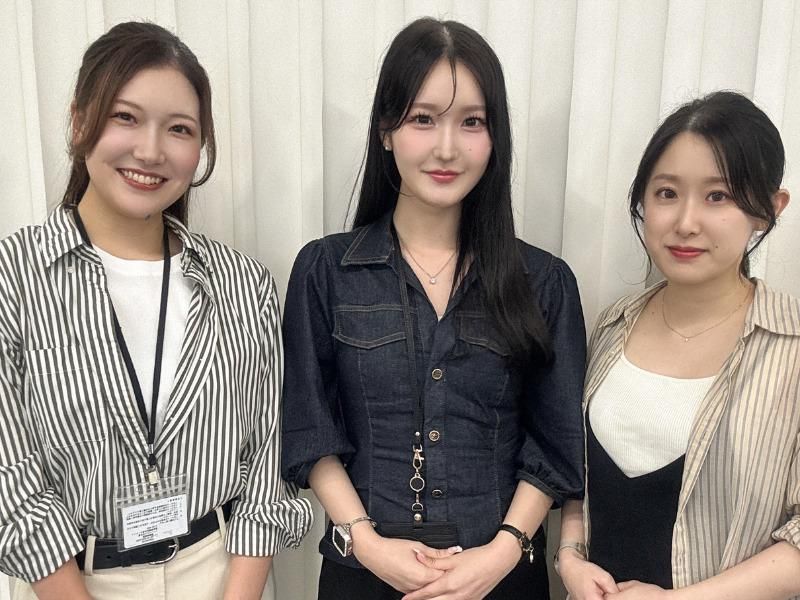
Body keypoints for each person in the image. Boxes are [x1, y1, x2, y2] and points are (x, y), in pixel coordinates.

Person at [0, 21, 311, 600]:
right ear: (79, 120)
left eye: (179, 129)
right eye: (126, 117)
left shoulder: (243, 284)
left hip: (222, 570)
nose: (150, 150)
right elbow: (9, 480)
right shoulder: (14, 277)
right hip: (71, 580)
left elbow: (266, 463)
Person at [281, 17, 586, 600]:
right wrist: (367, 543)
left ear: (495, 138)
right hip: (363, 574)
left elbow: (554, 441)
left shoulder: (544, 282)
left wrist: (500, 553)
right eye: (423, 119)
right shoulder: (326, 271)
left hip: (500, 577)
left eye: (472, 122)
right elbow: (309, 426)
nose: (447, 148)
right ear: (385, 130)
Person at [557, 91, 800, 600]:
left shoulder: (792, 347)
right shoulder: (613, 324)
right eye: (667, 193)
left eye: (718, 196)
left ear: (769, 209)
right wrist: (570, 555)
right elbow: (579, 474)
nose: (686, 222)